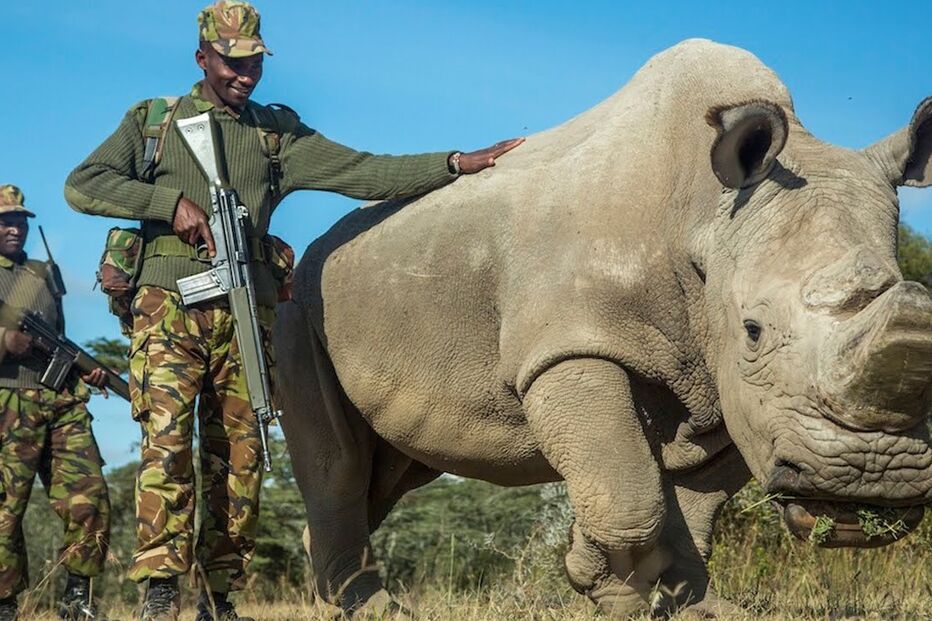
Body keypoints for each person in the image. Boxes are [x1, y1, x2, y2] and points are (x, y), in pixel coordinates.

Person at [64, 2, 522, 620]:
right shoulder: (154, 121)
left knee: (241, 455)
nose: (244, 75)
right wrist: (167, 204)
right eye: (231, 62)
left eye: (253, 63)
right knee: (166, 446)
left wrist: (453, 164)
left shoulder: (274, 133)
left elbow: (362, 172)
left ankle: (220, 596)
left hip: (248, 317)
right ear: (202, 58)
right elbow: (83, 182)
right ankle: (160, 594)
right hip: (167, 308)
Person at [0, 185, 112, 621]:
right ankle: (5, 605)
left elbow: (59, 339)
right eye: (6, 220)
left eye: (20, 220)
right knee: (6, 510)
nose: (15, 228)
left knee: (90, 497)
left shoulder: (43, 273)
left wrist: (84, 369)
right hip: (8, 403)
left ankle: (78, 599)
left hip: (60, 400)